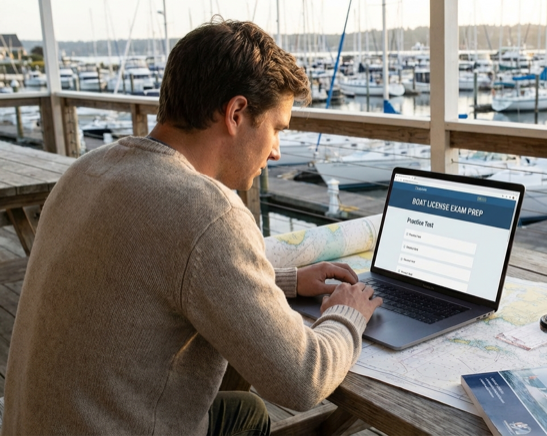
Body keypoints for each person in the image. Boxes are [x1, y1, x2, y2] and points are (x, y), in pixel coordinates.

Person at [3, 19, 381, 435]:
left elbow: (164, 271)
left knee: (247, 412)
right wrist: (349, 311)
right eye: (276, 129)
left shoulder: (89, 169)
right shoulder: (207, 212)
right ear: (236, 113)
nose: (275, 152)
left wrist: (285, 281)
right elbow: (303, 376)